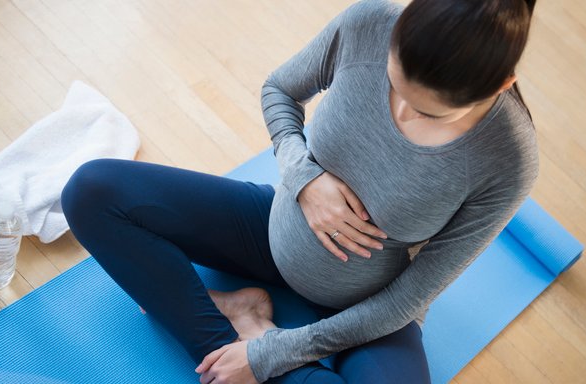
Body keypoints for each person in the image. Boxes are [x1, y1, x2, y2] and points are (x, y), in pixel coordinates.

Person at [61, 0, 539, 382]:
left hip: (369, 302)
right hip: (275, 229)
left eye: (432, 113)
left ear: (501, 85)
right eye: (394, 84)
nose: (405, 115)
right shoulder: (370, 23)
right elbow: (280, 90)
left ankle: (244, 344)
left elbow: (410, 298)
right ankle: (224, 337)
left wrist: (275, 353)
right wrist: (303, 176)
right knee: (92, 190)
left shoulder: (508, 160)